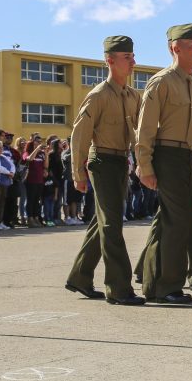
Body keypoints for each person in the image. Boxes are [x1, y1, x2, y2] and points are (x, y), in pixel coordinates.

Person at [134, 24, 192, 304]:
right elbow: (145, 128)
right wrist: (144, 165)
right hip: (166, 154)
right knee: (177, 221)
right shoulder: (161, 82)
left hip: (186, 156)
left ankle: (152, 278)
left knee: (177, 218)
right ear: (175, 48)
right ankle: (165, 286)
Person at [65, 35, 145, 305]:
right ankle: (119, 288)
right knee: (112, 225)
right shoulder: (98, 95)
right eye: (126, 57)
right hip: (101, 162)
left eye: (133, 56)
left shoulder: (133, 96)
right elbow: (80, 135)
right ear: (109, 60)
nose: (133, 62)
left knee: (102, 223)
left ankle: (80, 277)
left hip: (121, 162)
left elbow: (139, 134)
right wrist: (78, 173)